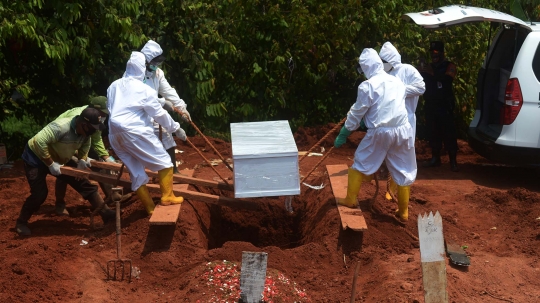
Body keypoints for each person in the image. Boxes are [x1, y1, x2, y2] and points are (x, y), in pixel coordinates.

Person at [334, 48, 417, 222]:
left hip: (381, 132)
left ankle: (350, 199)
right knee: (404, 169)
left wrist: (345, 131)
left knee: (361, 161)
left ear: (366, 67)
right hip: (403, 130)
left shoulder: (368, 86)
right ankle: (403, 211)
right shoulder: (396, 82)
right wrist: (369, 120)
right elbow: (389, 106)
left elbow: (357, 112)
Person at [107, 51, 187, 216]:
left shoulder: (113, 86)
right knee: (165, 162)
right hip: (135, 131)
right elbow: (159, 114)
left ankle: (150, 207)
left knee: (136, 172)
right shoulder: (143, 89)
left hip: (114, 134)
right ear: (141, 69)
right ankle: (167, 196)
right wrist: (176, 128)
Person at [16, 107, 115, 236]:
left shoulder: (86, 134)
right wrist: (50, 164)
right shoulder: (61, 127)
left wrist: (82, 160)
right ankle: (21, 222)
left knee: (84, 183)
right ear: (83, 125)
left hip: (60, 156)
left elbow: (85, 146)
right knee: (39, 194)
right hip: (35, 158)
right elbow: (38, 142)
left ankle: (106, 213)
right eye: (92, 128)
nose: (93, 132)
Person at [53, 96, 129, 216]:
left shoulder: (97, 118)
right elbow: (63, 139)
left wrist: (105, 157)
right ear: (94, 109)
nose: (104, 116)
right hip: (63, 143)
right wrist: (78, 157)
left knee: (100, 163)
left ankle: (112, 195)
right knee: (66, 171)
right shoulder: (75, 117)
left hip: (83, 140)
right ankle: (60, 205)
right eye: (103, 113)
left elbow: (96, 138)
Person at [379, 41, 425, 200]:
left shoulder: (407, 70)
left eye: (385, 62)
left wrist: (401, 90)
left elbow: (421, 87)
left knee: (404, 154)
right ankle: (391, 187)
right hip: (390, 121)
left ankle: (399, 190)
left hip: (407, 119)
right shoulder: (385, 74)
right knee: (391, 153)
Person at [140, 39, 191, 174]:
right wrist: (162, 103)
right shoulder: (135, 74)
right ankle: (142, 173)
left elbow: (168, 92)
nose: (157, 65)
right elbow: (142, 97)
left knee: (167, 136)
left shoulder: (158, 73)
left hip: (155, 112)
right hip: (138, 115)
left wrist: (181, 108)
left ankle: (173, 170)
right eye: (154, 62)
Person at [417, 41, 459, 172]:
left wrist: (432, 73)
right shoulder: (429, 67)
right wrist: (421, 70)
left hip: (445, 106)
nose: (433, 56)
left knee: (449, 134)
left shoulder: (449, 66)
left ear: (442, 54)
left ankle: (453, 161)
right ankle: (435, 158)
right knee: (433, 133)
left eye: (436, 53)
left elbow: (447, 80)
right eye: (432, 53)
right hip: (431, 105)